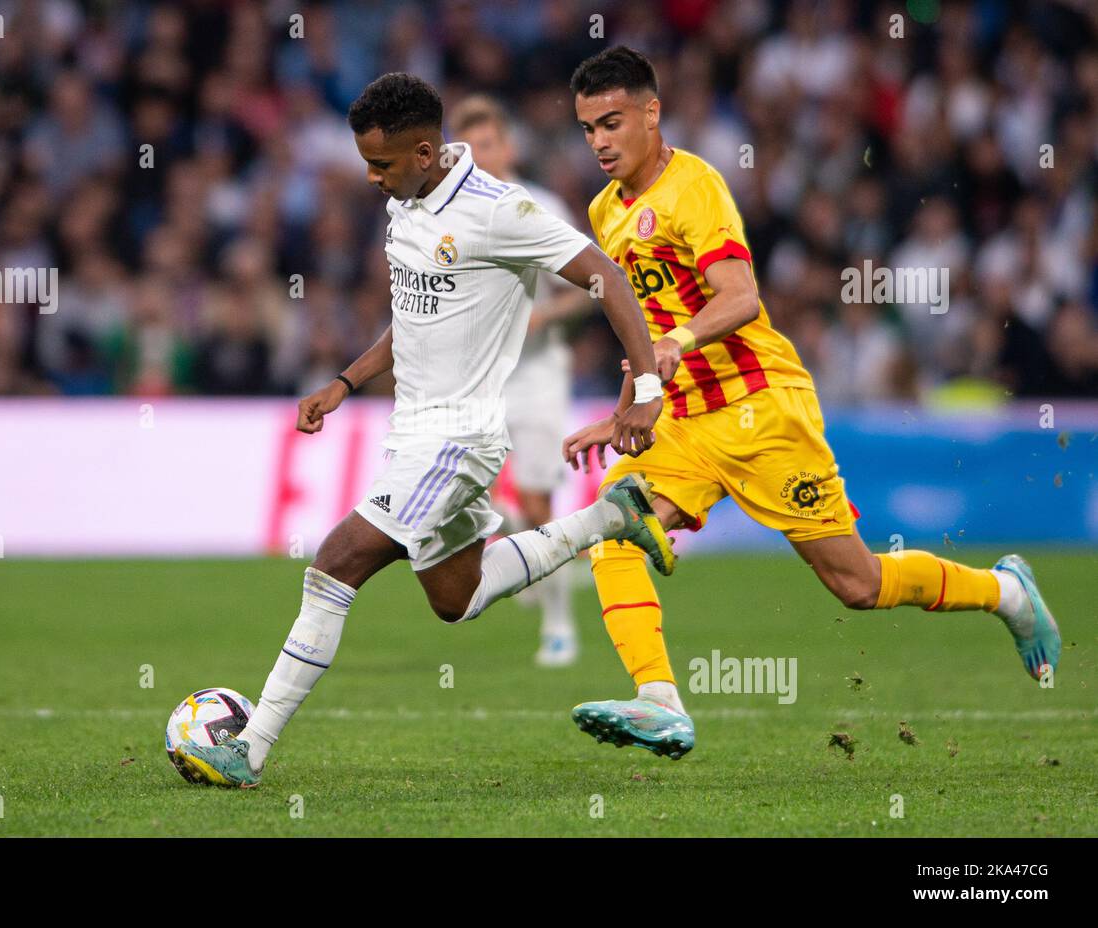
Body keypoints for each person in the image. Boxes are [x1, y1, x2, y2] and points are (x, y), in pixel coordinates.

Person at [560, 47, 1061, 760]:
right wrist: (623, 412)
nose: (600, 142)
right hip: (687, 419)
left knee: (857, 584)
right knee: (613, 528)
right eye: (587, 129)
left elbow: (740, 297)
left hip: (763, 409)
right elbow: (639, 327)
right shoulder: (605, 211)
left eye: (611, 122)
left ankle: (1006, 592)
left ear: (651, 112)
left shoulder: (694, 189)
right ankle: (659, 700)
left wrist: (675, 343)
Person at [173, 72, 670, 789]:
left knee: (335, 562)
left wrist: (646, 387)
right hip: (414, 432)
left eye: (381, 164)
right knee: (455, 597)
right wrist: (345, 382)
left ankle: (246, 751)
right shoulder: (405, 204)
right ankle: (608, 517)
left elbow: (608, 279)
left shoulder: (500, 211)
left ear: (426, 151)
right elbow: (413, 320)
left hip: (459, 437)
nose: (371, 178)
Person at [448, 94, 595, 667]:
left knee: (537, 499)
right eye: (468, 148)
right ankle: (523, 553)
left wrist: (539, 316)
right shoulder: (448, 214)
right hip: (475, 377)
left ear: (507, 147)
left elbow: (591, 287)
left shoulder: (542, 206)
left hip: (536, 372)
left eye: (488, 145)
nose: (479, 157)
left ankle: (559, 624)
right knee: (467, 501)